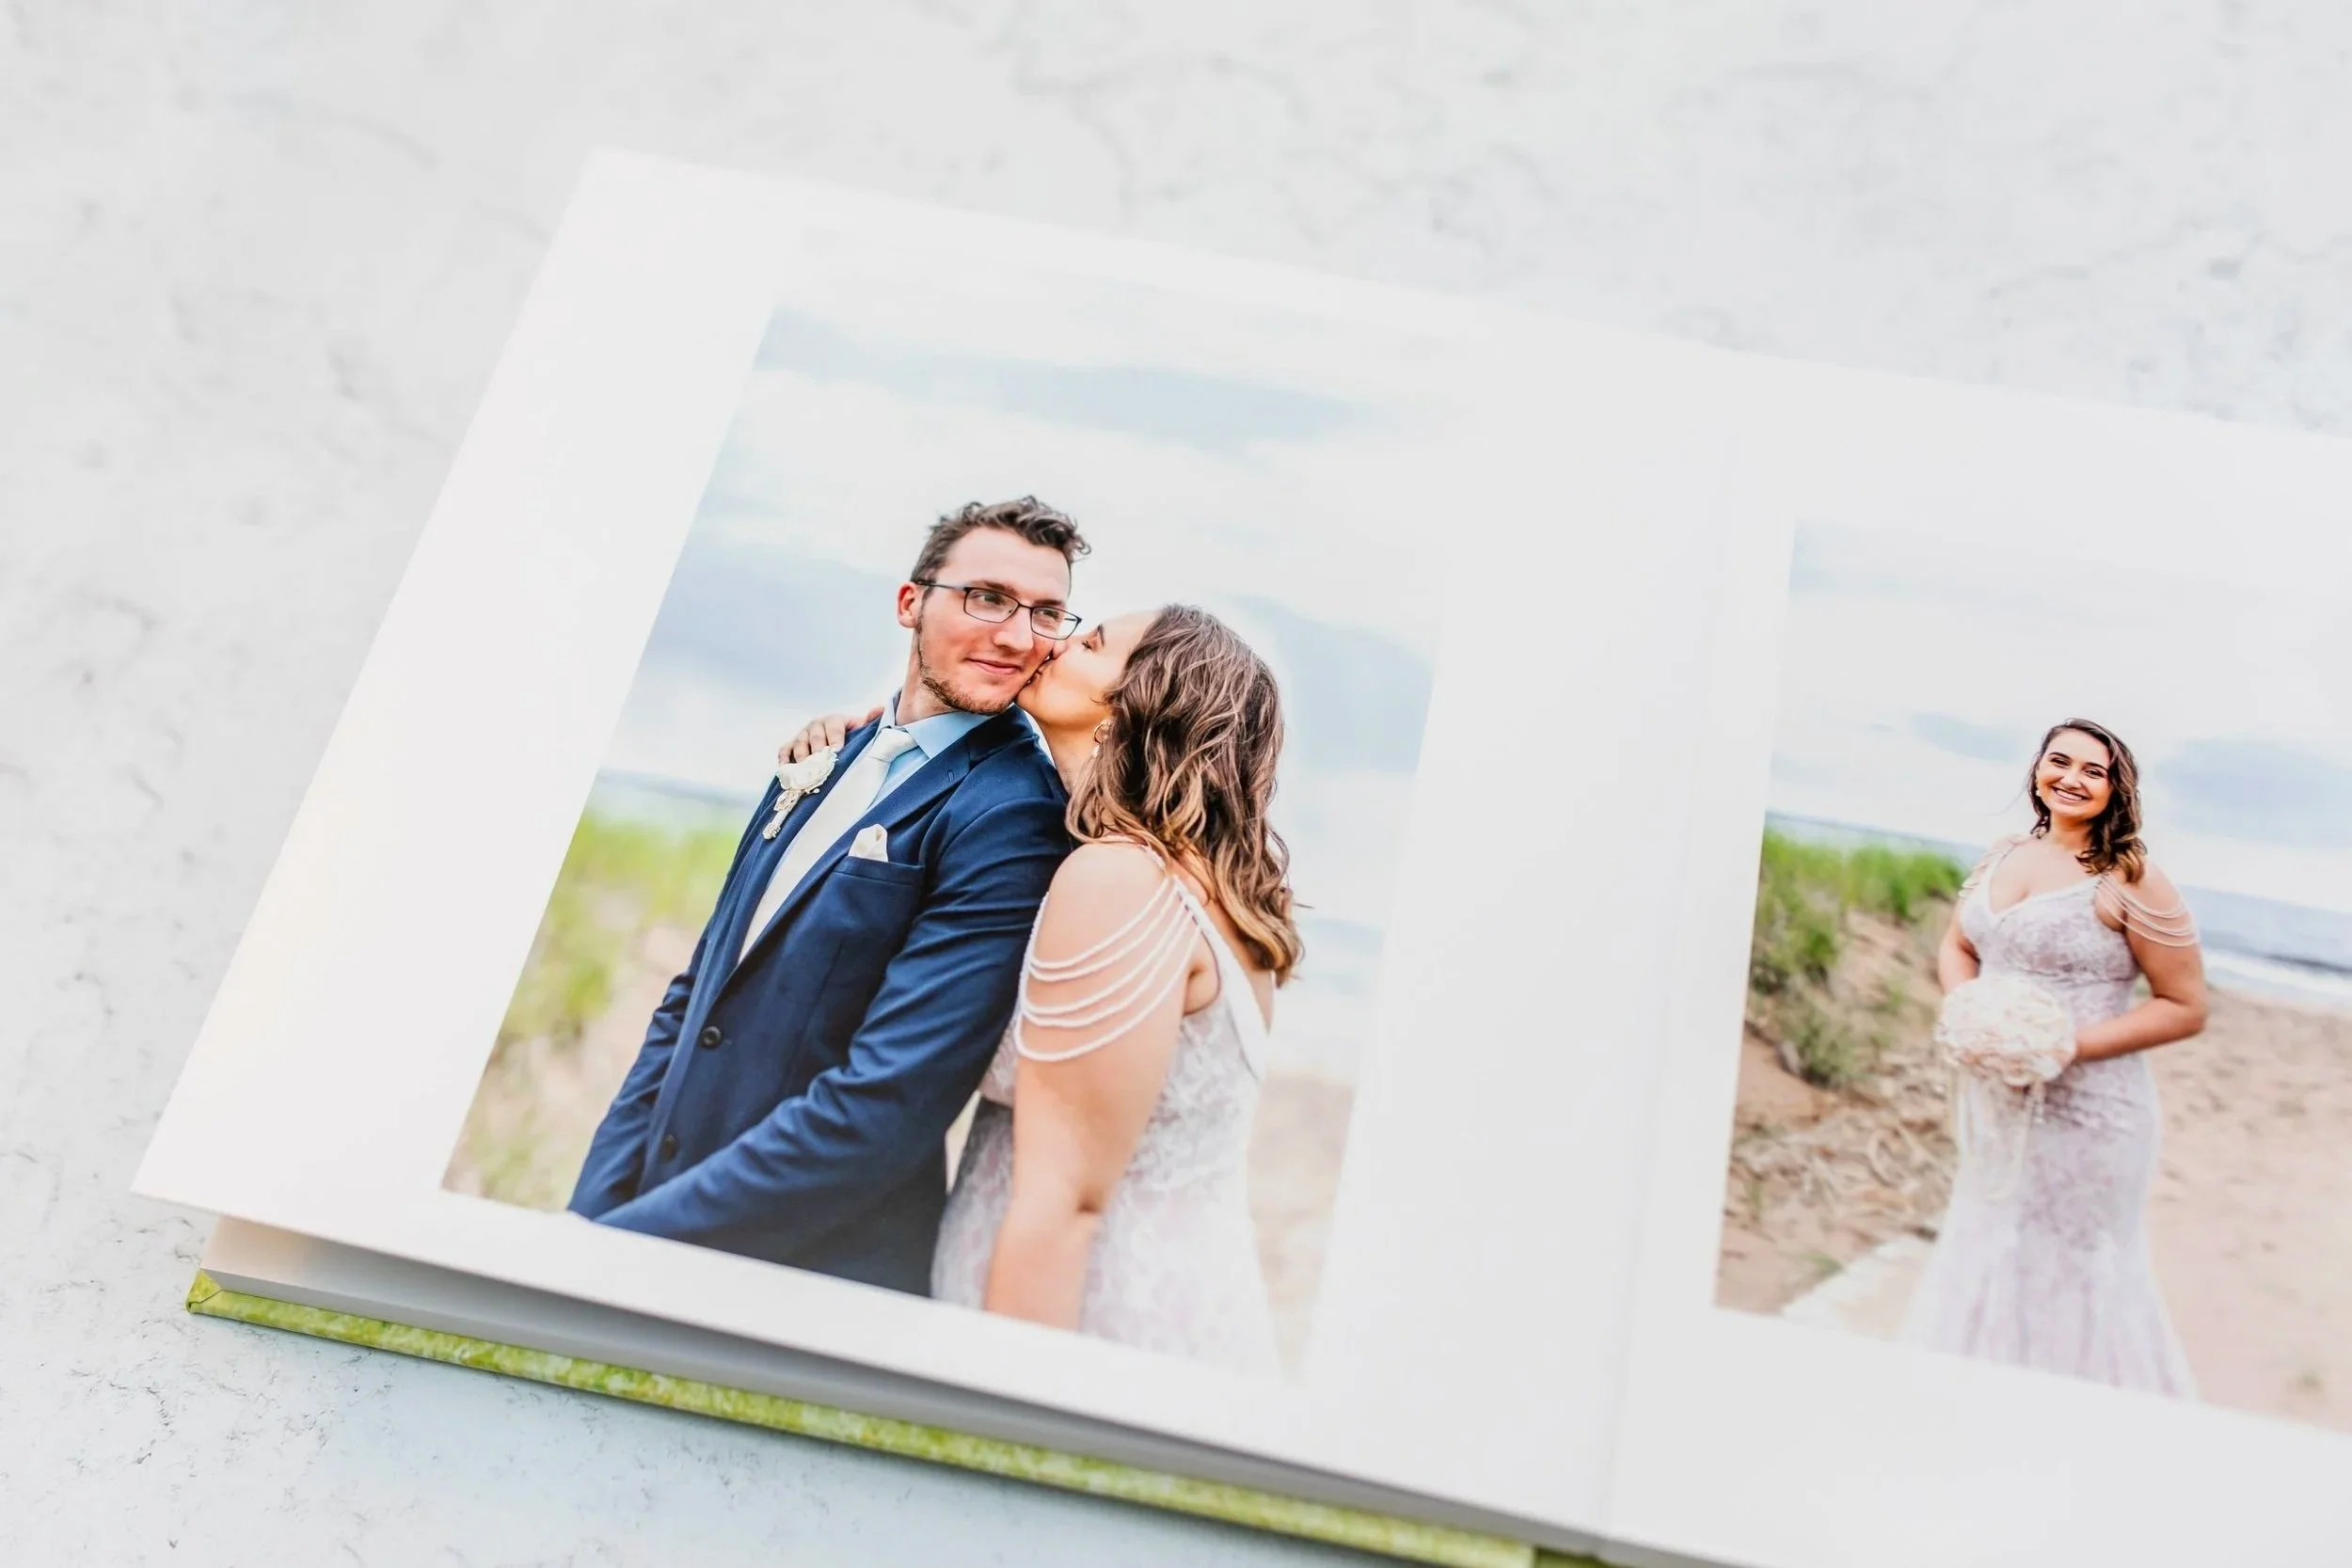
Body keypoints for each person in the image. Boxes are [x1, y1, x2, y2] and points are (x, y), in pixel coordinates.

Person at [565, 498, 1087, 1295]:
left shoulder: (1014, 811)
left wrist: (635, 1246)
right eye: (986, 597)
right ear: (911, 602)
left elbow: (885, 1103)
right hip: (650, 1218)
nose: (1018, 636)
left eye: (1046, 613)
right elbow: (697, 993)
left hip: (800, 1274)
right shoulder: (827, 755)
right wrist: (595, 1208)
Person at [783, 605, 1296, 1370]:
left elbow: (1065, 1201)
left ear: (1138, 703)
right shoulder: (1170, 874)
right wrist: (873, 753)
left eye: (1089, 643)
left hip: (1098, 1337)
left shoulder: (1122, 879)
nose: (1054, 642)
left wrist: (1002, 1421)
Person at [1902, 718, 2209, 1393]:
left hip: (2091, 1116)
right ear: (2037, 769)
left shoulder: (2131, 876)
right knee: (1989, 1241)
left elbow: (2186, 1005)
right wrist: (1971, 1011)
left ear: (2116, 788)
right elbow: (1960, 945)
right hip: (1997, 1100)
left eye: (2092, 771)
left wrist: (2061, 1046)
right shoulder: (2005, 852)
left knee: (2070, 1268)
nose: (2071, 778)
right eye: (2059, 761)